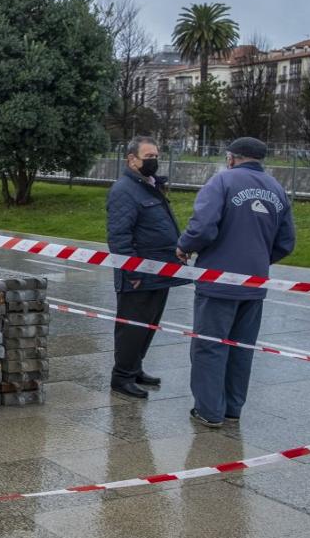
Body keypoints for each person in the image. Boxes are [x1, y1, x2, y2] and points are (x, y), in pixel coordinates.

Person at [176, 137, 295, 427]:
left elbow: (203, 227)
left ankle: (208, 411)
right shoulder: (277, 190)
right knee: (241, 348)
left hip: (218, 282)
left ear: (231, 158)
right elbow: (286, 242)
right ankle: (232, 409)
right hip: (254, 284)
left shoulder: (221, 182)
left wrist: (184, 246)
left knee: (210, 346)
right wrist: (257, 259)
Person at [106, 136, 185, 399]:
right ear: (132, 159)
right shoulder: (124, 190)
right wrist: (133, 272)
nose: (154, 161)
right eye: (149, 157)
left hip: (160, 271)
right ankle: (122, 377)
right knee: (132, 327)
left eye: (156, 156)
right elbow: (119, 237)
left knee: (149, 325)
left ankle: (135, 368)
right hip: (139, 274)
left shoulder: (148, 185)